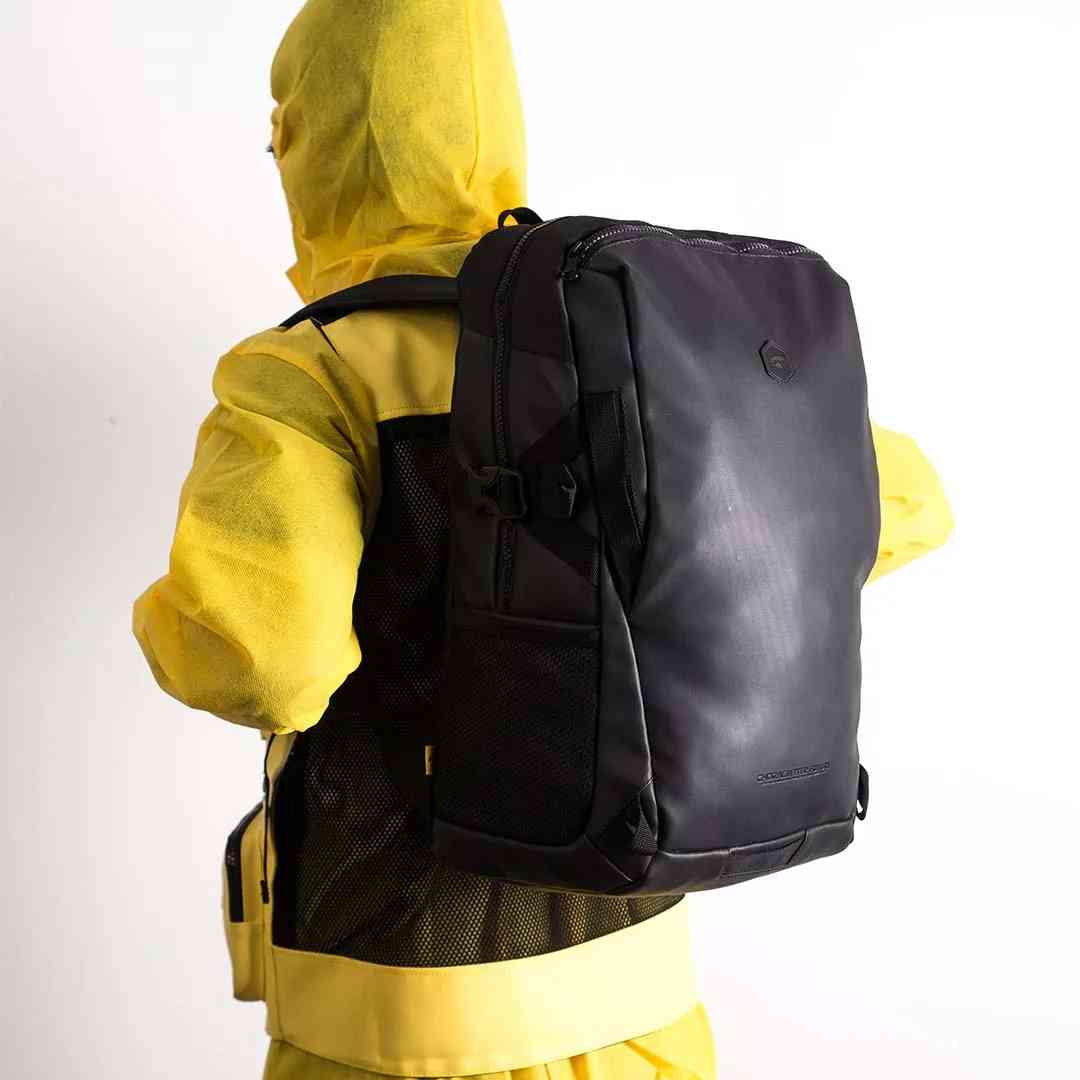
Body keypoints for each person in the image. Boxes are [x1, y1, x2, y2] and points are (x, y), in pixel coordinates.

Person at [132, 2, 953, 1077]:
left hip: (399, 1024)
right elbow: (911, 506)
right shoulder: (631, 335)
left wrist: (162, 618)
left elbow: (261, 664)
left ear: (311, 139)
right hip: (648, 1007)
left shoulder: (315, 370)